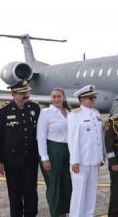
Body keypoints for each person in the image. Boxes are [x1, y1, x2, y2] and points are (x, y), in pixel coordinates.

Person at [0, 79, 41, 217]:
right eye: (22, 94)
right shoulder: (3, 111)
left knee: (31, 191)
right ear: (13, 94)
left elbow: (41, 132)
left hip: (30, 159)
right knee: (15, 192)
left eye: (27, 93)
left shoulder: (34, 108)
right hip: (12, 161)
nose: (25, 96)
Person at [67, 84, 106, 217]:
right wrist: (74, 161)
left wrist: (101, 157)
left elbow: (99, 137)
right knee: (79, 195)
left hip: (94, 161)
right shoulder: (74, 115)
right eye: (90, 98)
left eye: (94, 97)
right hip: (81, 162)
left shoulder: (96, 113)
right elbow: (73, 139)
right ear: (82, 100)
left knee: (91, 194)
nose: (93, 100)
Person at [37, 88, 72, 217]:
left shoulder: (69, 112)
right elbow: (40, 136)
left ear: (64, 97)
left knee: (66, 184)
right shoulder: (46, 113)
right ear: (51, 99)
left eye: (59, 96)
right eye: (54, 97)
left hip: (67, 150)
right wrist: (44, 157)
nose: (57, 99)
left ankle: (63, 213)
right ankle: (56, 214)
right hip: (53, 150)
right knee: (54, 185)